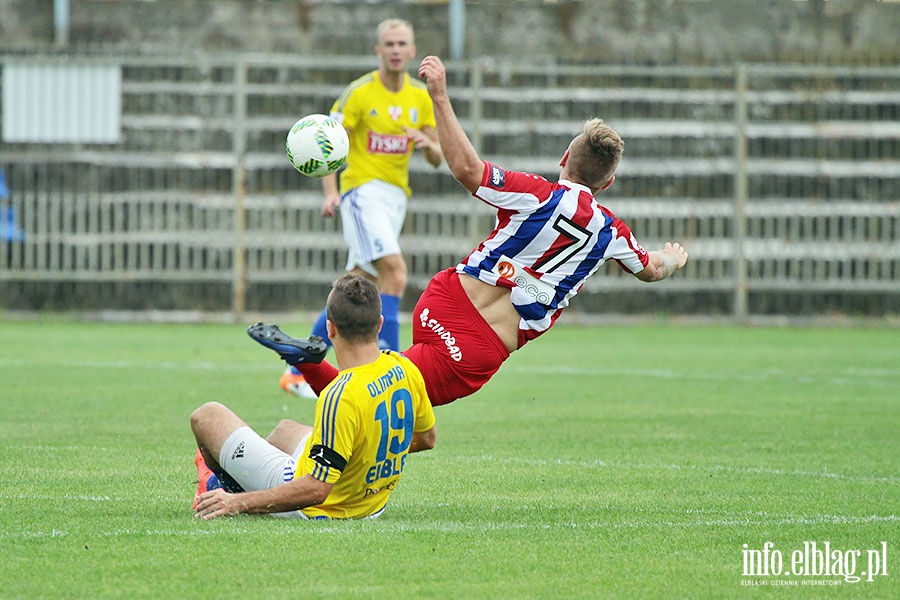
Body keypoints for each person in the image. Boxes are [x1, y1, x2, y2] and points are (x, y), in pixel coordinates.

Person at [255, 55, 688, 408]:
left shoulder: (537, 194)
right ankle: (309, 365)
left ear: (563, 158)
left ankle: (335, 357)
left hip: (445, 298)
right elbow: (652, 268)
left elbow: (468, 170)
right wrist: (674, 258)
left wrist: (441, 96)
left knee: (406, 414)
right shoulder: (612, 233)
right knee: (375, 405)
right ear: (607, 184)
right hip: (476, 349)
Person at [281, 18, 443, 399]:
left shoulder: (420, 97)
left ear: (413, 50)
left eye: (402, 43)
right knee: (396, 275)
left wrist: (427, 144)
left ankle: (295, 367)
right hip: (361, 193)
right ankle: (388, 372)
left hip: (395, 199)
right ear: (378, 50)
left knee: (357, 281)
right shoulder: (359, 93)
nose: (396, 50)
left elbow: (438, 158)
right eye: (389, 44)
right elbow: (326, 143)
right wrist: (330, 192)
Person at [191, 274, 436, 520]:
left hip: (319, 508)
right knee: (285, 430)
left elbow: (316, 489)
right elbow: (427, 438)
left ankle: (223, 487)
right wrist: (369, 457)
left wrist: (238, 503)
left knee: (207, 415)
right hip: (371, 506)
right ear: (380, 323)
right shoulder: (404, 367)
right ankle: (242, 476)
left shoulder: (339, 395)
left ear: (330, 328)